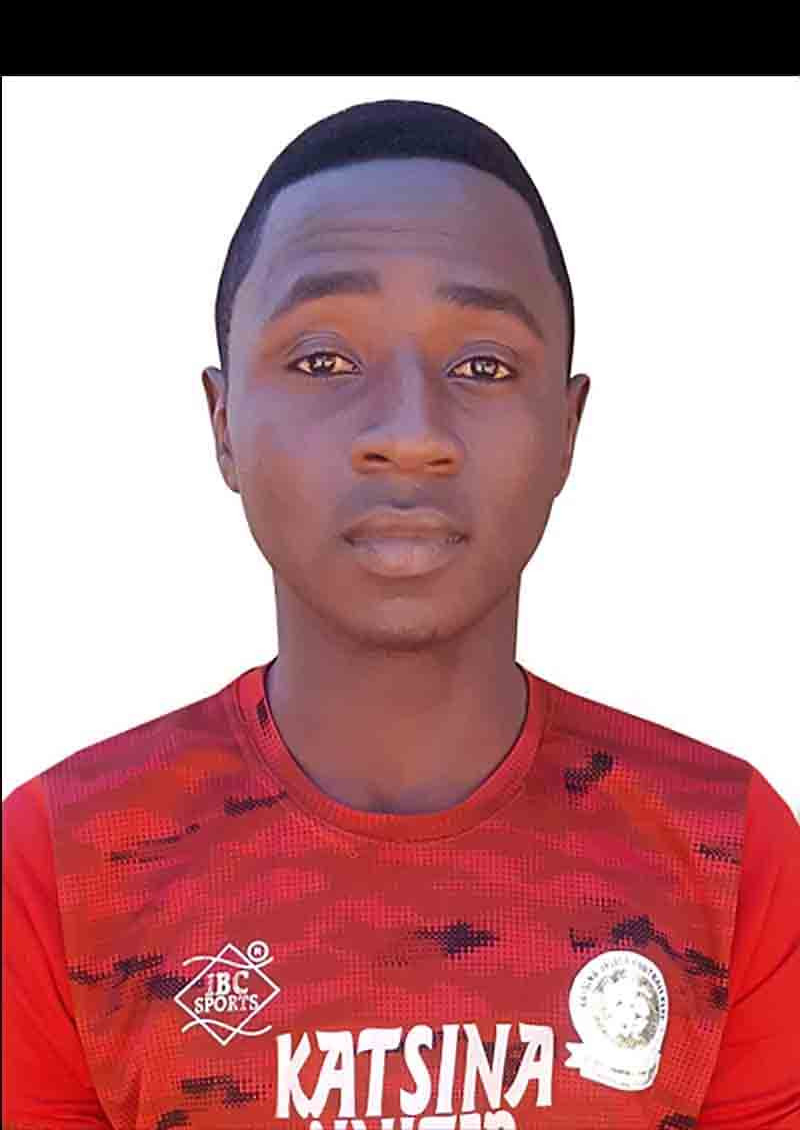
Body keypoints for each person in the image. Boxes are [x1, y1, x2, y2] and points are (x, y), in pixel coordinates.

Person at [3, 98, 798, 1130]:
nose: (410, 433)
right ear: (223, 423)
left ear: (565, 431)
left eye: (482, 367)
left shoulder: (727, 851)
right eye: (323, 361)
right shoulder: (64, 865)